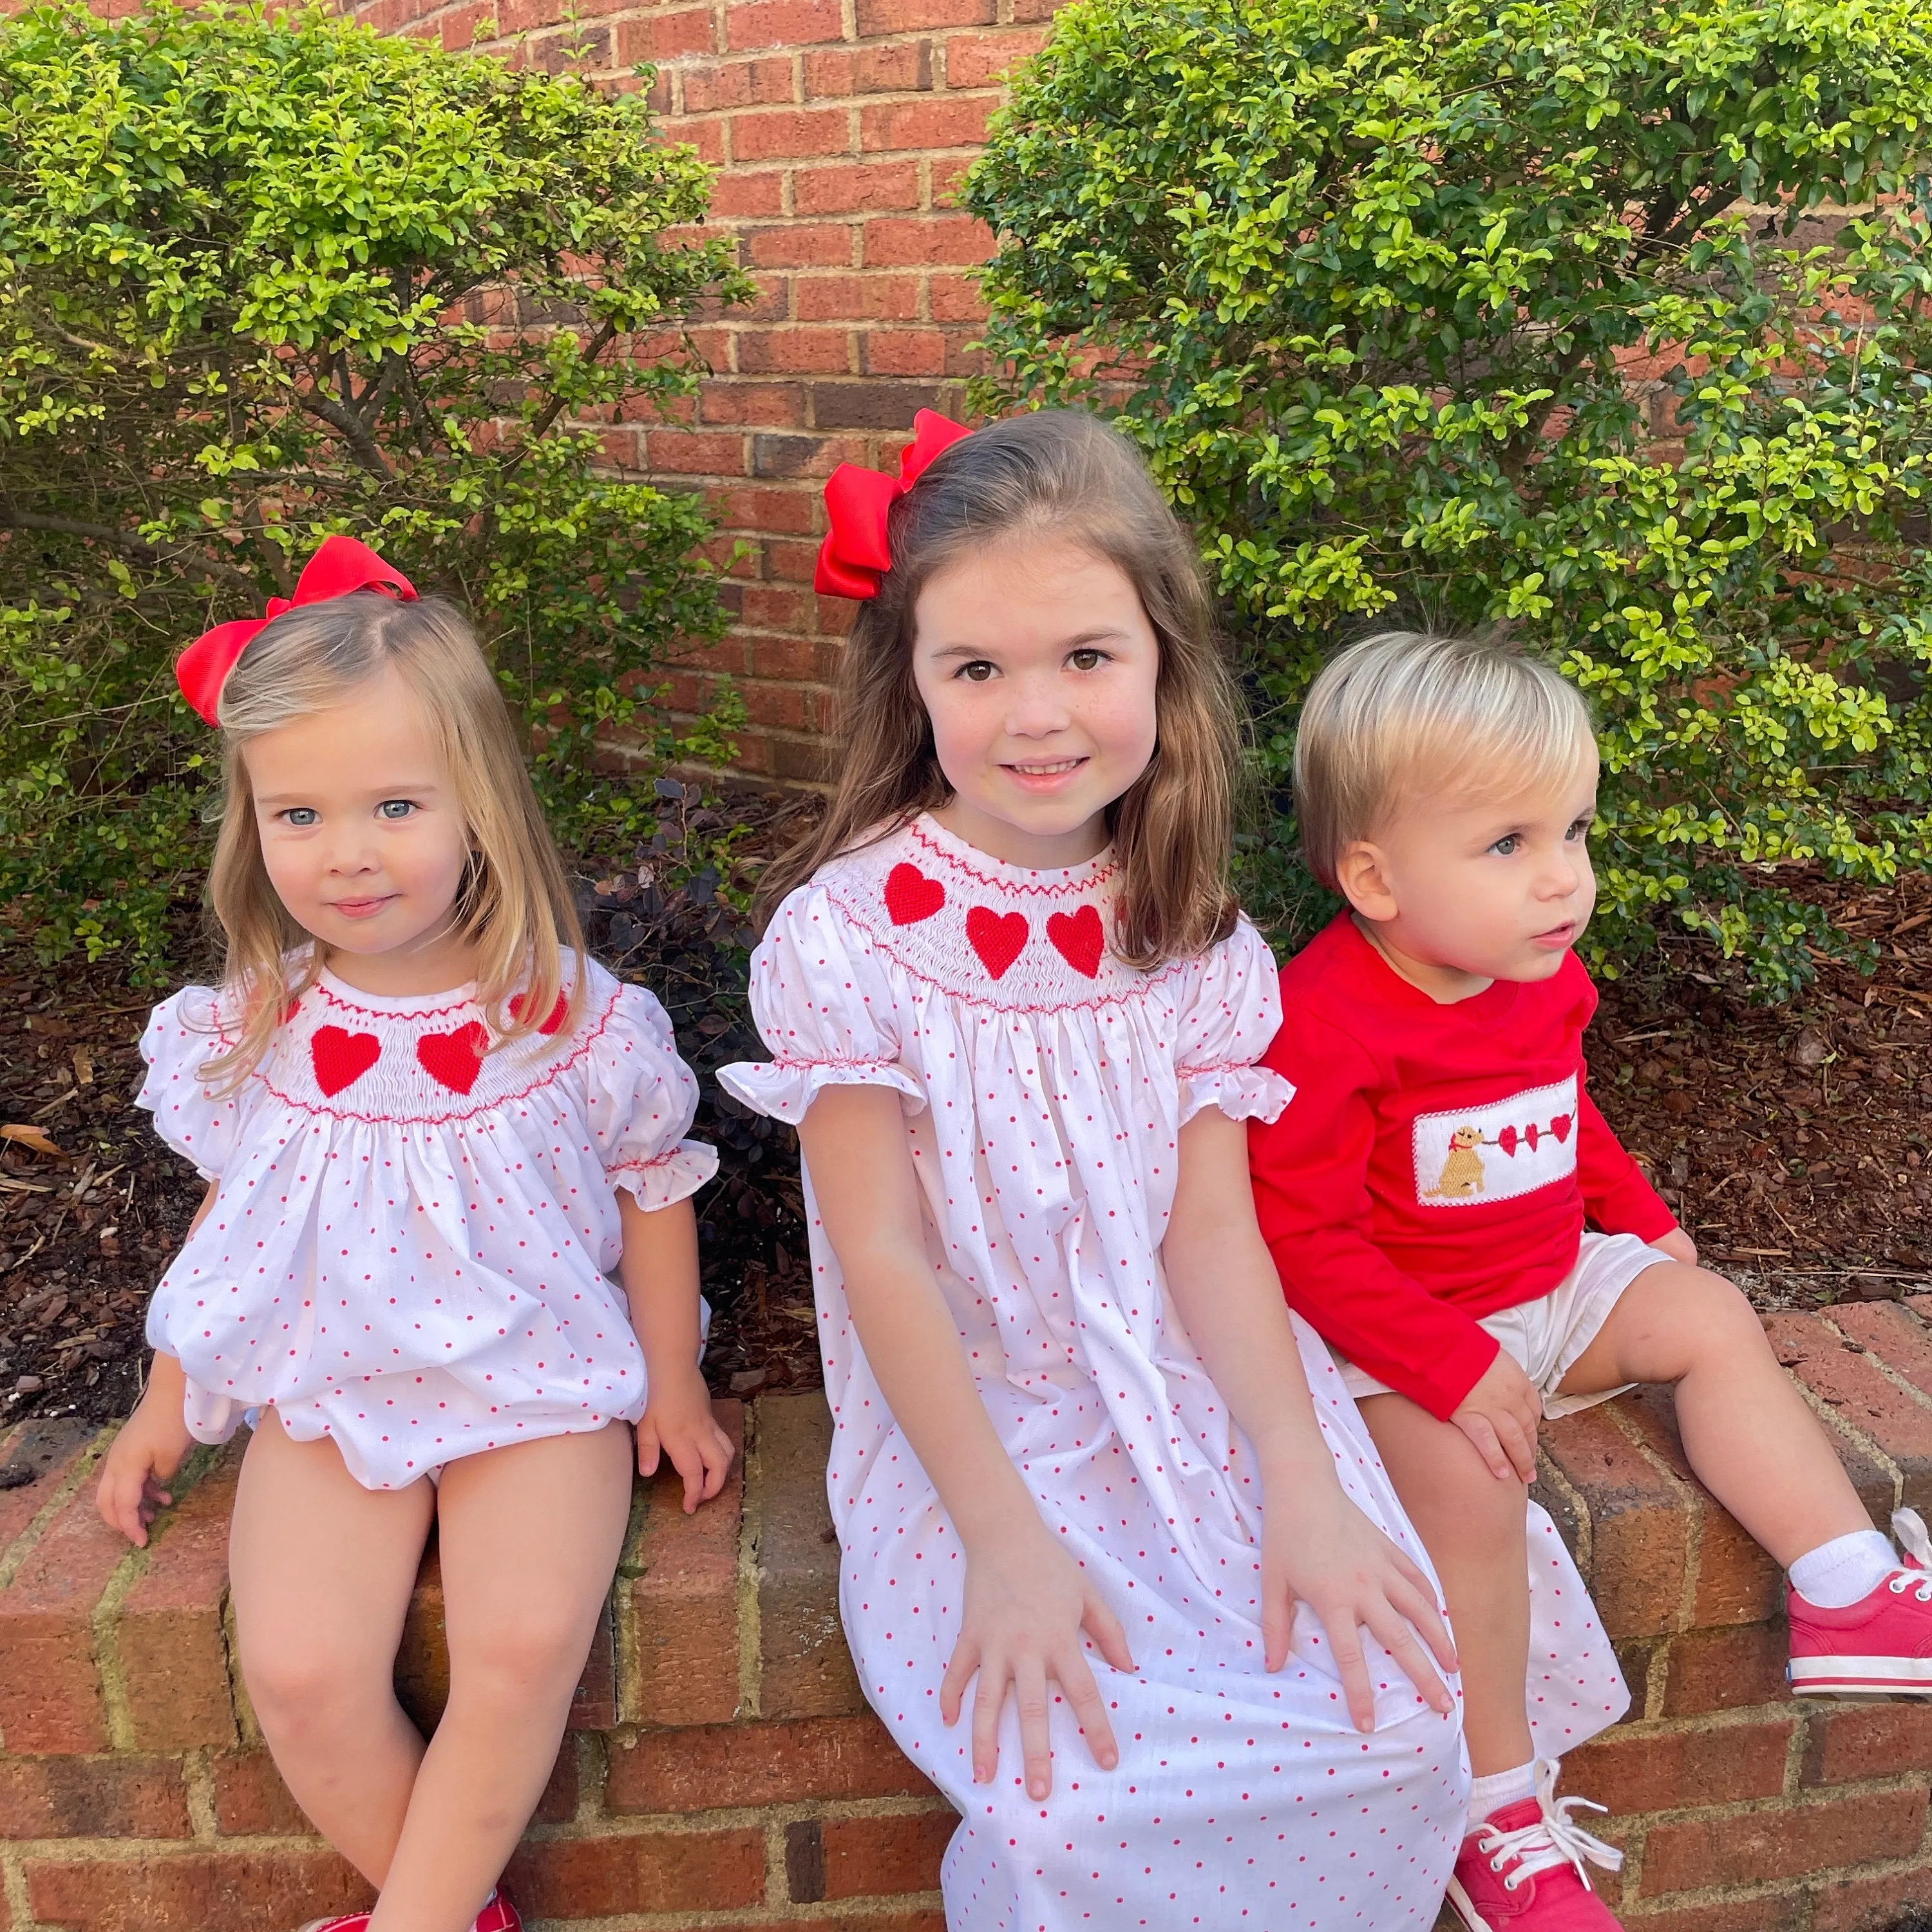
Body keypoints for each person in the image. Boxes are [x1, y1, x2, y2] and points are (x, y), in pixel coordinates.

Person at [722, 408, 1474, 1931]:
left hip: (1186, 1395)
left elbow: (1212, 1242)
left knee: (1391, 1712)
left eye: (1085, 656)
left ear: (1160, 661)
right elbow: (884, 1259)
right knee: (1077, 1792)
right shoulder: (850, 941)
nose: (1036, 713)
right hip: (978, 1425)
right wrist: (1004, 1548)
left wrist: (1304, 1483)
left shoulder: (1195, 936)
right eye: (976, 669)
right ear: (912, 683)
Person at [95, 538, 734, 1932]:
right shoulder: (261, 1022)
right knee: (308, 1674)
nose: (349, 854)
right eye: (300, 816)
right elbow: (235, 1218)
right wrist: (167, 1398)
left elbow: (654, 1182)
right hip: (330, 1380)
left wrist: (673, 1380)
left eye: (394, 804)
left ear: (479, 803)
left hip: (540, 1377)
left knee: (518, 1643)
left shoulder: (568, 1019)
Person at [1249, 629, 1932, 1932]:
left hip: (1551, 1285)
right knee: (1467, 1485)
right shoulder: (1326, 1024)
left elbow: (1568, 1110)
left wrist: (1637, 1215)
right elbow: (1301, 1239)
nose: (1564, 879)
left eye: (1574, 831)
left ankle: (1846, 1588)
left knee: (1712, 1316)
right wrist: (1448, 1364)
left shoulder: (1536, 972)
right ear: (1375, 877)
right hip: (1399, 1328)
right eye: (1510, 845)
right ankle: (1496, 1803)